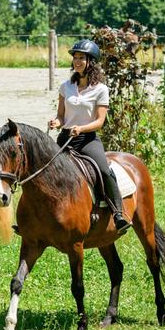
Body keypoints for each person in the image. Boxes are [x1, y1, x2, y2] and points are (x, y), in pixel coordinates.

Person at [48, 39, 131, 234]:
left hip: (87, 140)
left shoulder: (100, 90)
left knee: (103, 169)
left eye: (81, 58)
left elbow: (100, 121)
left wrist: (82, 128)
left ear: (90, 62)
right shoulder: (65, 87)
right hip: (65, 138)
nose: (77, 62)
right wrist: (56, 122)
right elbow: (61, 116)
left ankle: (118, 213)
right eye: (75, 58)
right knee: (45, 169)